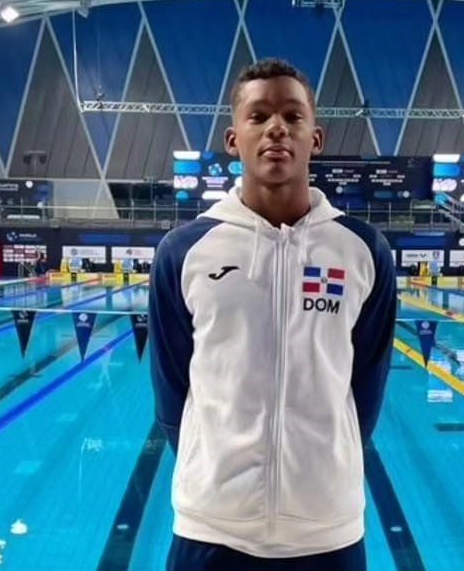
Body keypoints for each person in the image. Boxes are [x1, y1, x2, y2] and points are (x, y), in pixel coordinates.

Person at [148, 57, 397, 571]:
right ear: (233, 138)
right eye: (258, 116)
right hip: (210, 529)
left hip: (328, 530)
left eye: (292, 115)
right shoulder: (185, 251)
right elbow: (172, 390)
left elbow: (366, 390)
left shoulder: (362, 250)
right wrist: (213, 478)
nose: (276, 128)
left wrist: (325, 471)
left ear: (316, 138)